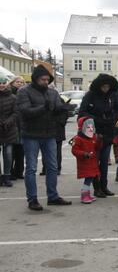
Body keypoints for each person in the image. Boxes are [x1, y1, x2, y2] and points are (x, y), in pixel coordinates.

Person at [16, 65, 71, 210]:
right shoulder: (24, 92)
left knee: (52, 167)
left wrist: (64, 110)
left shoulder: (52, 93)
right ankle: (32, 199)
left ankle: (52, 196)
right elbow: (25, 111)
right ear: (35, 79)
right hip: (31, 134)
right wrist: (44, 108)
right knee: (31, 168)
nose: (46, 82)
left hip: (49, 134)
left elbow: (58, 108)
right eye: (43, 79)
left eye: (47, 79)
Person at [78, 73, 118, 198]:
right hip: (94, 133)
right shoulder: (90, 96)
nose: (106, 89)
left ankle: (104, 186)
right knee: (95, 161)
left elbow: (117, 109)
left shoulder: (112, 95)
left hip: (108, 132)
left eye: (108, 87)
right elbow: (82, 112)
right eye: (104, 87)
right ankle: (97, 188)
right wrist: (96, 119)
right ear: (99, 86)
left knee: (104, 162)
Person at [70, 117, 100, 204]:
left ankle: (87, 194)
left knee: (90, 178)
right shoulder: (78, 138)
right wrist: (84, 154)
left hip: (92, 162)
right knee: (88, 179)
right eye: (88, 127)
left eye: (92, 127)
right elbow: (74, 150)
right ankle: (84, 195)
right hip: (85, 162)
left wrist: (99, 141)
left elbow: (97, 148)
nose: (90, 129)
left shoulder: (93, 137)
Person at [0, 74, 18, 187]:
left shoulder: (13, 97)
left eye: (3, 83)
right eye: (0, 83)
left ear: (7, 84)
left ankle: (7, 176)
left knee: (8, 153)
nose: (1, 85)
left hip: (9, 129)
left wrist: (8, 121)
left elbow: (16, 113)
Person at [10, 76, 25, 180]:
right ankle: (10, 172)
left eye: (22, 82)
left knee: (21, 150)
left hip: (22, 125)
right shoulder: (10, 94)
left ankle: (19, 172)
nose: (20, 84)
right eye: (18, 82)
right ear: (12, 82)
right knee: (11, 151)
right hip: (12, 125)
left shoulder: (24, 94)